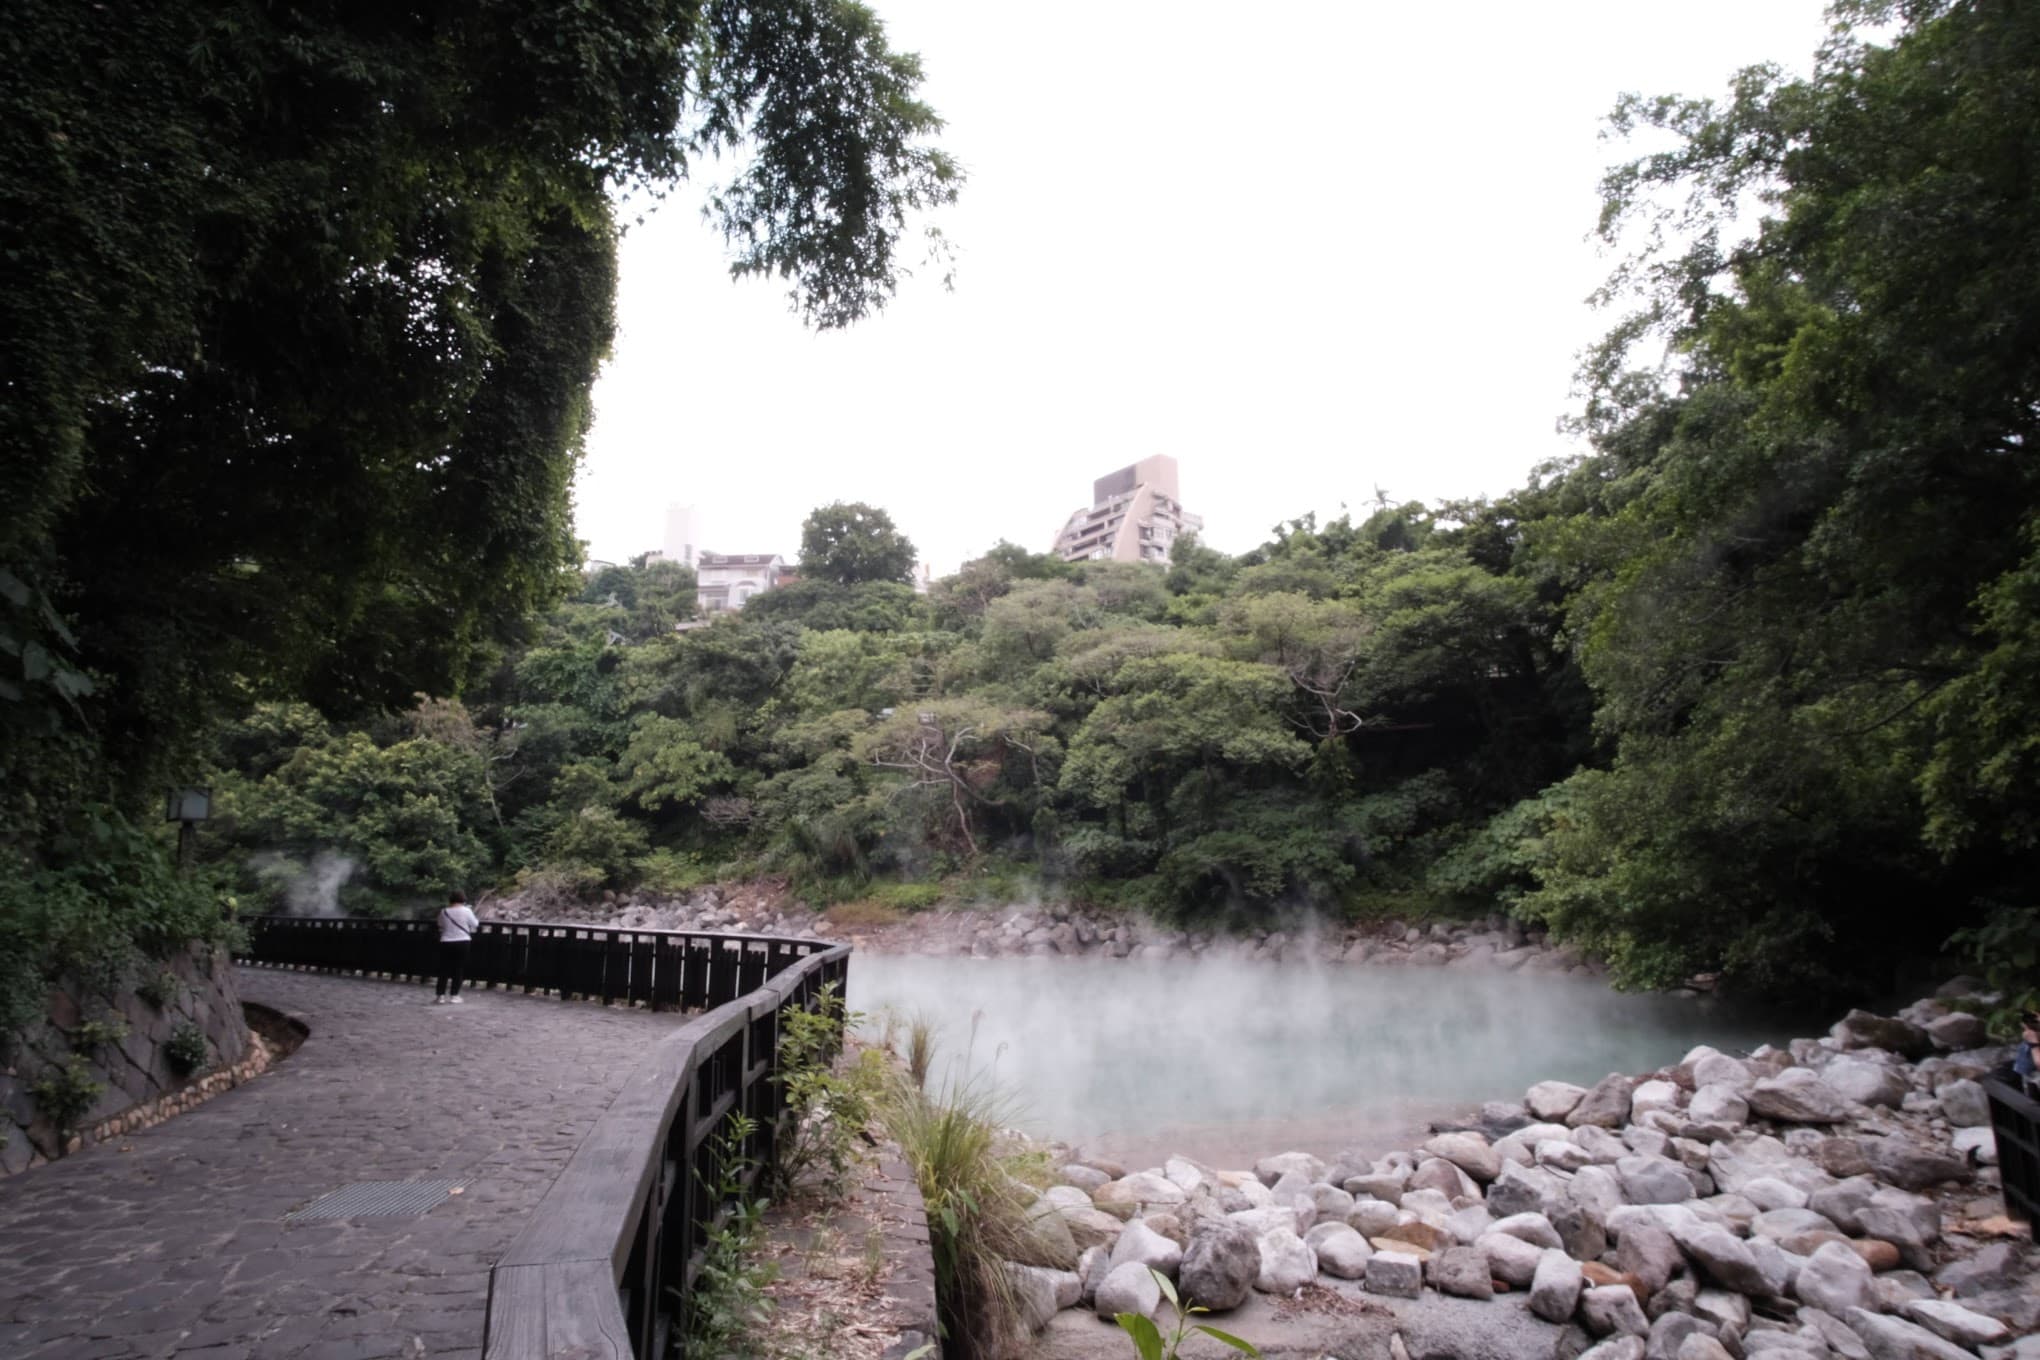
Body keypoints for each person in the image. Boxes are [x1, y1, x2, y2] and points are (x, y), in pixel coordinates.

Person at [435, 890, 480, 1004]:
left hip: (446, 941)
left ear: (450, 900)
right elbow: (475, 924)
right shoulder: (467, 911)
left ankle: (440, 996)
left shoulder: (444, 911)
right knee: (458, 969)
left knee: (444, 969)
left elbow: (440, 925)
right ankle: (455, 995)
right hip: (463, 941)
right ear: (463, 899)